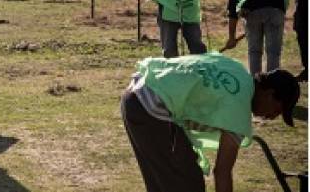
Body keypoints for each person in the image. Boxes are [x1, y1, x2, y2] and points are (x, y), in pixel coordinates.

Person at [121, 53, 300, 192]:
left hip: (137, 93)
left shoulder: (237, 69)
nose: (272, 117)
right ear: (269, 93)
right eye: (277, 110)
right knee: (188, 184)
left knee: (166, 182)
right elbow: (222, 172)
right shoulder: (239, 108)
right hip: (151, 107)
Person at [222, 0, 290, 74]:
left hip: (252, 13)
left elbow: (233, 14)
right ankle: (272, 84)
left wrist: (231, 37)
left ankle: (256, 83)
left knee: (254, 51)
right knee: (273, 51)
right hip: (275, 10)